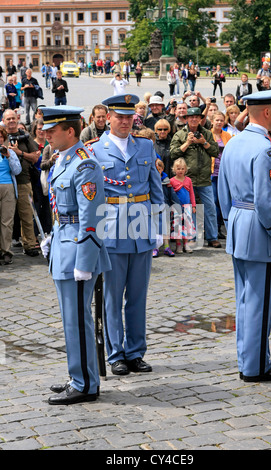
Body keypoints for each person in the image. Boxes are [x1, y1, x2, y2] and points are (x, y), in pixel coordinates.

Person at [217, 88, 271, 382]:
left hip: (240, 226)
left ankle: (248, 360)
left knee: (245, 300)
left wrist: (235, 221)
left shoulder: (234, 143)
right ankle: (254, 367)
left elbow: (223, 194)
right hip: (261, 233)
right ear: (267, 112)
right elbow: (266, 205)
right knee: (260, 303)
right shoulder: (267, 149)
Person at [88, 94, 165, 376]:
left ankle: (135, 352)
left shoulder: (145, 146)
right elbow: (92, 198)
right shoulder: (95, 150)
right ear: (107, 117)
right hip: (112, 229)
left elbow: (155, 188)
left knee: (137, 296)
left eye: (128, 116)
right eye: (118, 116)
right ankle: (115, 353)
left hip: (142, 227)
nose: (124, 121)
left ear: (135, 118)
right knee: (112, 296)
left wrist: (160, 227)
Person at [39, 105, 111, 405]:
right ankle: (79, 375)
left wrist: (85, 261)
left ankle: (84, 384)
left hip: (78, 251)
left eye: (52, 131)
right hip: (64, 244)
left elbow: (92, 216)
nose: (46, 136)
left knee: (76, 320)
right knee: (70, 318)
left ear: (70, 131)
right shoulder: (62, 161)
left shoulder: (85, 165)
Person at [170, 107, 221, 248]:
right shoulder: (180, 134)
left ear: (200, 119)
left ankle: (212, 237)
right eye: (191, 117)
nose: (194, 119)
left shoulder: (207, 133)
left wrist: (204, 143)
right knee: (189, 210)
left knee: (210, 209)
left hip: (204, 178)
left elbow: (216, 152)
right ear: (186, 119)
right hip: (187, 180)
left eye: (197, 117)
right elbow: (173, 154)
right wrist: (187, 143)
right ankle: (191, 237)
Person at [3, 109, 40, 256]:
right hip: (5, 182)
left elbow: (35, 158)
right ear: (4, 121)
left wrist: (19, 153)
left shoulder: (25, 136)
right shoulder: (1, 136)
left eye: (13, 118)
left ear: (17, 119)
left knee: (27, 214)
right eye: (8, 119)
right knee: (5, 218)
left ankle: (30, 245)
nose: (11, 121)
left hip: (23, 181)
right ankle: (4, 248)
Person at [0, 126, 22, 265]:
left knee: (7, 221)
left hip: (8, 187)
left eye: (1, 137)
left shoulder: (10, 152)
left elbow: (17, 170)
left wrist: (9, 157)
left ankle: (6, 250)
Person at [210, 111, 231, 238]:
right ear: (212, 121)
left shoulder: (227, 135)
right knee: (214, 201)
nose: (219, 122)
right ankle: (214, 229)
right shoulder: (207, 134)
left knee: (222, 201)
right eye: (216, 120)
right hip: (211, 173)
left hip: (224, 173)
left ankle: (219, 227)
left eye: (221, 120)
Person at [170, 158, 196, 253]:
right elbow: (170, 196)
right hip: (176, 208)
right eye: (178, 168)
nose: (180, 171)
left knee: (187, 225)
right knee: (177, 226)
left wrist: (193, 206)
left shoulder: (188, 180)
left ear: (185, 169)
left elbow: (192, 194)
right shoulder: (172, 181)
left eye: (182, 168)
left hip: (187, 207)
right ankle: (178, 245)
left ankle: (186, 244)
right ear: (174, 169)